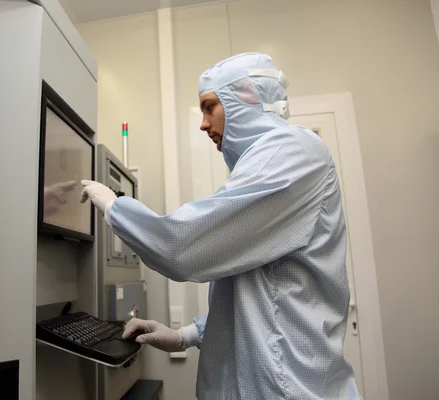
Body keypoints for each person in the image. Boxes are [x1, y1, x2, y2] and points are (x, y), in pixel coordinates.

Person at [80, 53, 361, 399]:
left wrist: (113, 207)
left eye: (209, 106)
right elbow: (258, 293)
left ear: (245, 100)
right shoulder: (260, 166)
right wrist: (186, 334)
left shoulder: (294, 151)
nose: (202, 123)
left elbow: (182, 247)